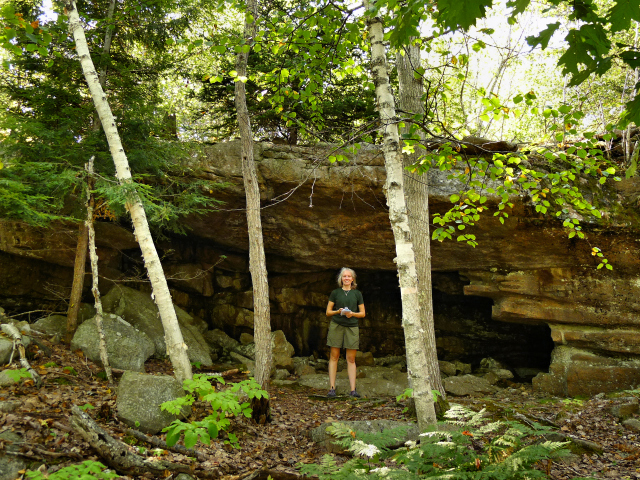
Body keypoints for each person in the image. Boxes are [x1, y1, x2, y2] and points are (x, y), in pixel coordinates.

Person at [325, 267, 365, 398]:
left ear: (352, 279)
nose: (346, 278)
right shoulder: (335, 293)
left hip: (352, 326)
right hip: (337, 325)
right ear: (341, 279)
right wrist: (338, 311)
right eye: (344, 276)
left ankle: (353, 390)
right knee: (334, 356)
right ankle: (332, 388)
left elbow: (363, 313)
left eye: (349, 276)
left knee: (351, 358)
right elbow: (328, 312)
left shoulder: (357, 294)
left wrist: (352, 314)